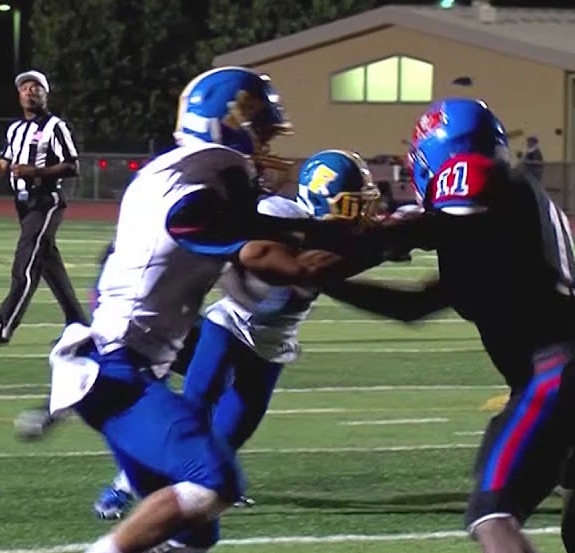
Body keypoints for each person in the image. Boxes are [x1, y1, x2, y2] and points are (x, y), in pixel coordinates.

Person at [37, 67, 396, 553]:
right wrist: (381, 242)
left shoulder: (184, 173)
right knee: (215, 479)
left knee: (194, 531)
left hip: (125, 362)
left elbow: (264, 230)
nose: (266, 148)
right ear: (227, 123)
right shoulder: (199, 188)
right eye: (259, 131)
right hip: (116, 368)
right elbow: (278, 258)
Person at [318, 97, 575, 553]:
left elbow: (423, 226)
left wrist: (359, 240)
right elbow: (415, 304)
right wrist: (328, 281)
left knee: (491, 510)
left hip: (558, 368)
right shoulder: (503, 217)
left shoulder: (475, 177)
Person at [90, 149, 383, 521]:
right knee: (191, 411)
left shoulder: (346, 236)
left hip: (274, 341)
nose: (362, 215)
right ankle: (124, 485)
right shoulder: (280, 216)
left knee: (237, 427)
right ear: (322, 199)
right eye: (353, 205)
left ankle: (203, 486)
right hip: (230, 322)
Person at [0, 70, 87, 347]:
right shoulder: (15, 129)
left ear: (46, 94)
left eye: (36, 87)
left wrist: (37, 171)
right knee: (49, 265)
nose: (30, 92)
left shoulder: (55, 126)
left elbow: (72, 166)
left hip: (46, 200)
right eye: (24, 88)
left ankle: (3, 326)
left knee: (26, 263)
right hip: (23, 203)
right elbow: (3, 164)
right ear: (19, 95)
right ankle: (79, 324)